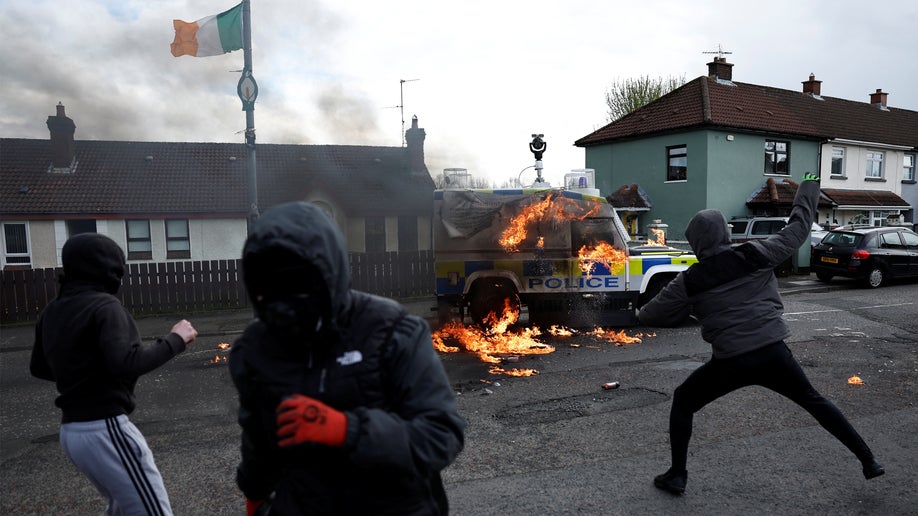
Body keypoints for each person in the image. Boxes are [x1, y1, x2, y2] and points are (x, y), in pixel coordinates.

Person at [638, 173, 884, 495]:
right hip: (773, 353)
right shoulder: (757, 253)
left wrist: (665, 310)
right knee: (814, 400)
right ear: (725, 233)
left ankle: (677, 475)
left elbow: (651, 315)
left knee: (684, 400)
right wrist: (809, 182)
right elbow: (798, 228)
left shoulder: (689, 280)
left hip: (730, 362)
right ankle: (868, 461)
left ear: (696, 242)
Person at [229, 202, 466, 515]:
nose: (283, 301)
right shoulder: (254, 349)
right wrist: (255, 494)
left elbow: (442, 435)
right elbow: (258, 438)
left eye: (297, 284)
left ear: (328, 275)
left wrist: (345, 429)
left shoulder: (394, 330)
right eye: (269, 287)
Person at [30, 233, 198, 515]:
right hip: (103, 428)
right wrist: (176, 340)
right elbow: (128, 362)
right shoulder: (105, 306)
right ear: (111, 270)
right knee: (153, 511)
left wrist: (83, 373)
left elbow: (40, 367)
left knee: (121, 507)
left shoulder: (53, 310)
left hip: (71, 433)